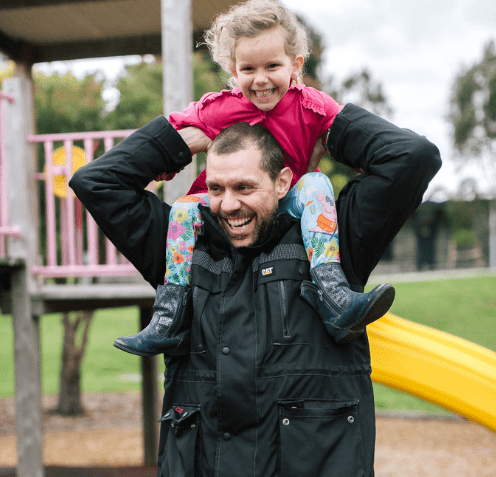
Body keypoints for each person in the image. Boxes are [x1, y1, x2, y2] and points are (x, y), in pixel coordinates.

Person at [70, 107, 441, 476]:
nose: (229, 205)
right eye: (216, 188)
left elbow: (412, 157)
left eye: (244, 187)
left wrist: (326, 122)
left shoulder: (335, 239)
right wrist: (180, 140)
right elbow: (96, 182)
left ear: (282, 182)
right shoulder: (179, 249)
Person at [113, 0, 395, 356]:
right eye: (248, 69)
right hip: (227, 205)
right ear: (233, 69)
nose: (260, 80)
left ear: (296, 65)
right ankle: (170, 315)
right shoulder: (217, 109)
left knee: (316, 182)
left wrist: (340, 152)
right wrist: (171, 160)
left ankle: (333, 292)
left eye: (272, 66)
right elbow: (169, 141)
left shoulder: (312, 105)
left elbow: (354, 142)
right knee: (183, 208)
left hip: (287, 200)